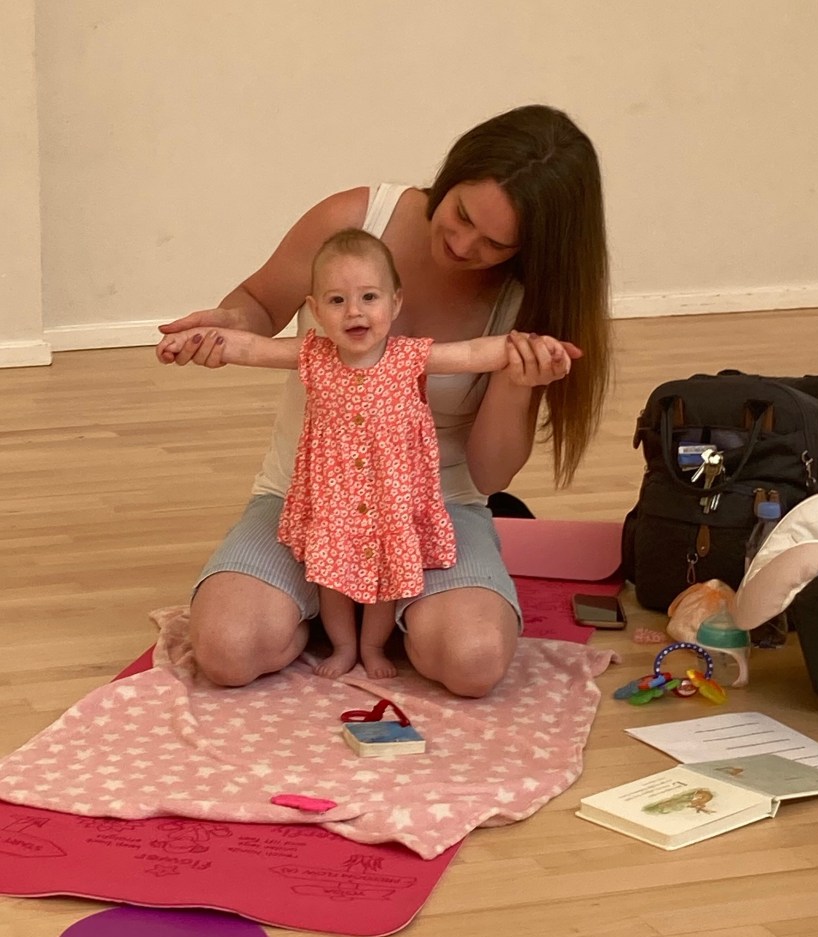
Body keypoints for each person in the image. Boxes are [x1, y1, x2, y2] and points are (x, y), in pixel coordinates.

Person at [157, 103, 611, 698]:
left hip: (432, 510)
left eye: (494, 243)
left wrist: (516, 383)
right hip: (305, 499)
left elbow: (490, 476)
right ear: (452, 174)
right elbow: (260, 305)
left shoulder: (524, 301)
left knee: (473, 662)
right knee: (227, 648)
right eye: (461, 214)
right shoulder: (355, 218)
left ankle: (384, 607)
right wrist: (233, 323)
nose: (462, 243)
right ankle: (333, 602)